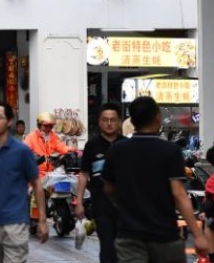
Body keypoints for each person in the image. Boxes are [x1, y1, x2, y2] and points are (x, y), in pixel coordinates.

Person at [102, 96, 209, 262]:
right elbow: (179, 194)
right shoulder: (170, 151)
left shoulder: (116, 151)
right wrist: (198, 235)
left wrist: (125, 206)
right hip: (165, 236)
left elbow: (108, 189)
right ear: (157, 117)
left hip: (129, 235)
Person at [0, 102, 48, 263]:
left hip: (16, 221)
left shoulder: (21, 151)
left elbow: (36, 184)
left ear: (9, 121)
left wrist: (42, 220)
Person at [75, 102, 127, 263]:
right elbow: (84, 174)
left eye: (113, 119)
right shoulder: (92, 145)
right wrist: (79, 202)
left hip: (126, 207)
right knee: (107, 247)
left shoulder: (126, 145)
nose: (109, 123)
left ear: (120, 122)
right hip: (101, 206)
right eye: (105, 119)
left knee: (125, 248)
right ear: (99, 122)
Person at [23, 111, 69, 178]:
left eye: (50, 126)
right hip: (35, 175)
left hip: (50, 175)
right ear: (39, 125)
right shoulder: (31, 137)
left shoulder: (53, 136)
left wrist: (71, 150)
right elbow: (24, 153)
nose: (48, 129)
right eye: (45, 126)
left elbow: (61, 147)